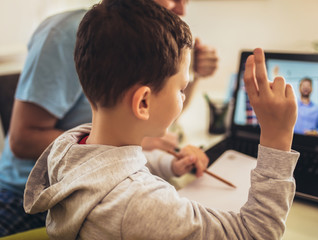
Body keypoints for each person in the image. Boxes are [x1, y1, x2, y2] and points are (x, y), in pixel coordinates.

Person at [24, 0, 299, 238]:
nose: (183, 95)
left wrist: (168, 165)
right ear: (143, 102)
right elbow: (254, 233)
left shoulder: (69, 145)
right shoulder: (140, 206)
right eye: (181, 88)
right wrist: (277, 138)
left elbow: (110, 167)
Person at [0, 0, 217, 236]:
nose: (182, 10)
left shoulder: (145, 44)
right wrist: (142, 143)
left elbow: (155, 114)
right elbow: (22, 140)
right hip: (30, 195)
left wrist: (191, 75)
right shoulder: (63, 35)